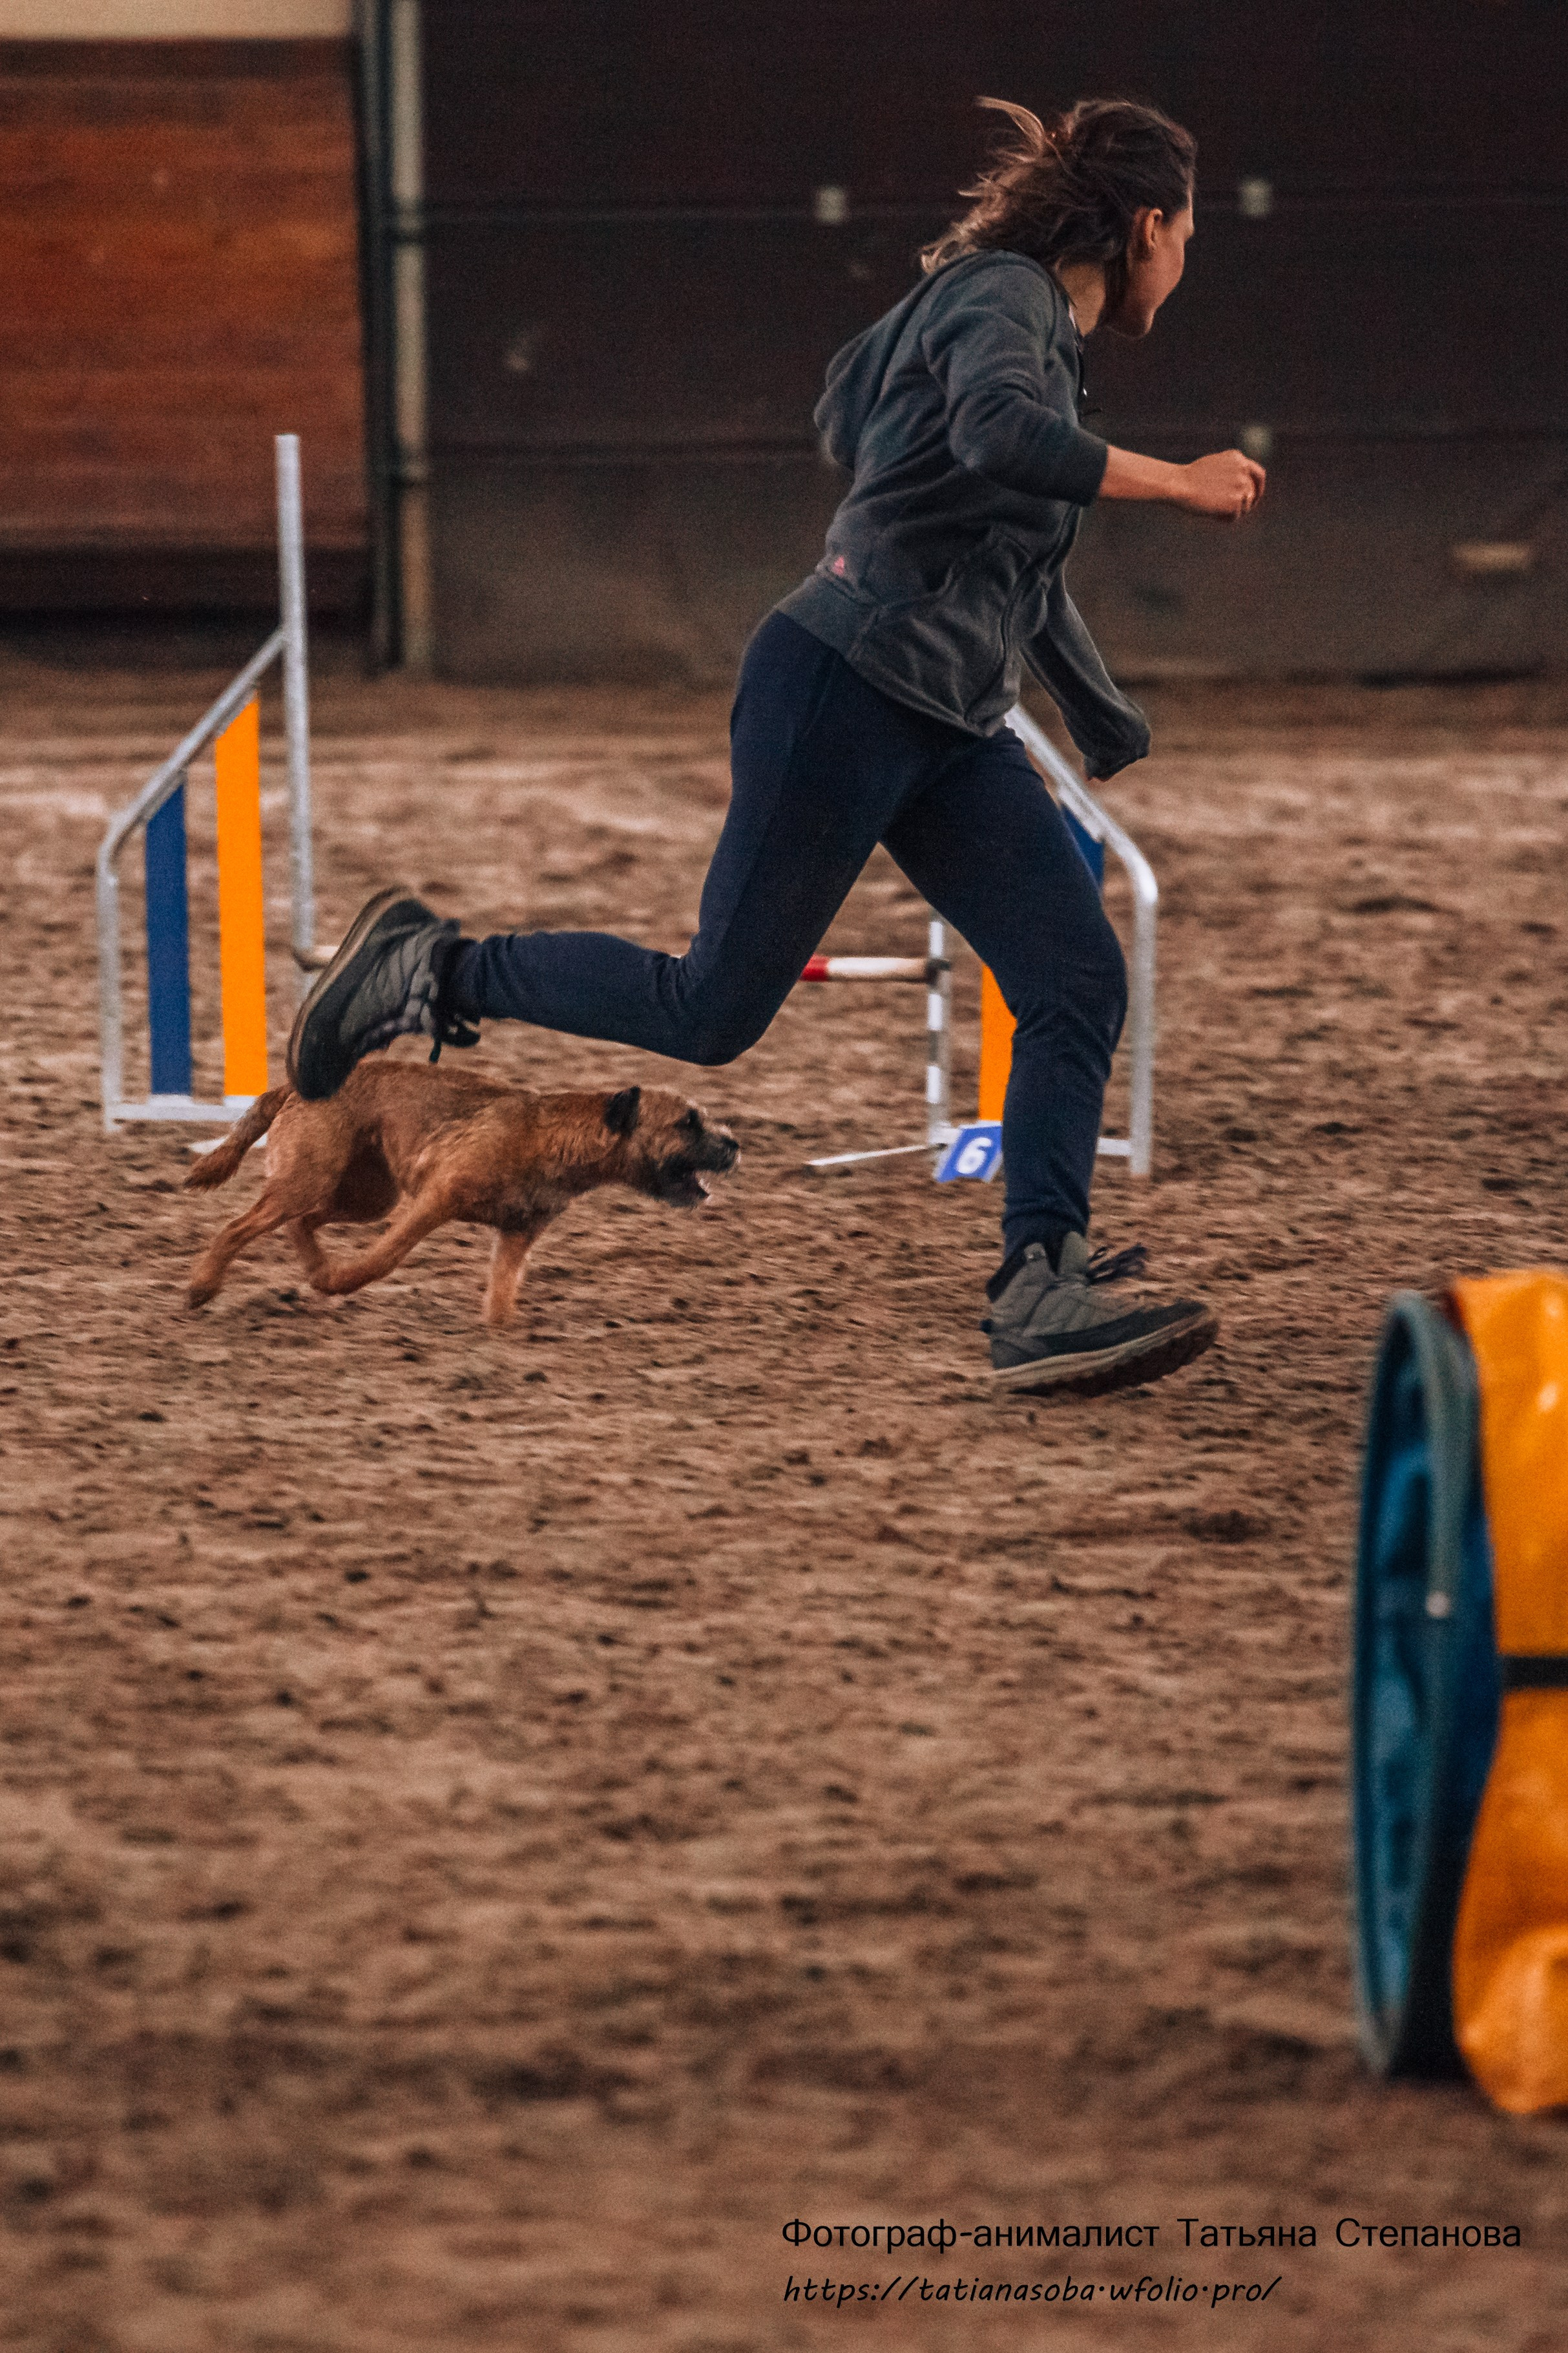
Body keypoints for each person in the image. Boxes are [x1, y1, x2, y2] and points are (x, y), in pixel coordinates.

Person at [287, 95, 1264, 1396]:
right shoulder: (1004, 300)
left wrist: (1102, 717)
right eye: (1187, 235)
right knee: (711, 1011)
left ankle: (1040, 1282)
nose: (1185, 260)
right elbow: (994, 442)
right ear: (1147, 227)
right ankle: (435, 967)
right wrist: (1175, 479)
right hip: (840, 690)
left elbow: (1005, 554)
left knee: (1074, 976)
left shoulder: (1032, 340)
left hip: (949, 723)